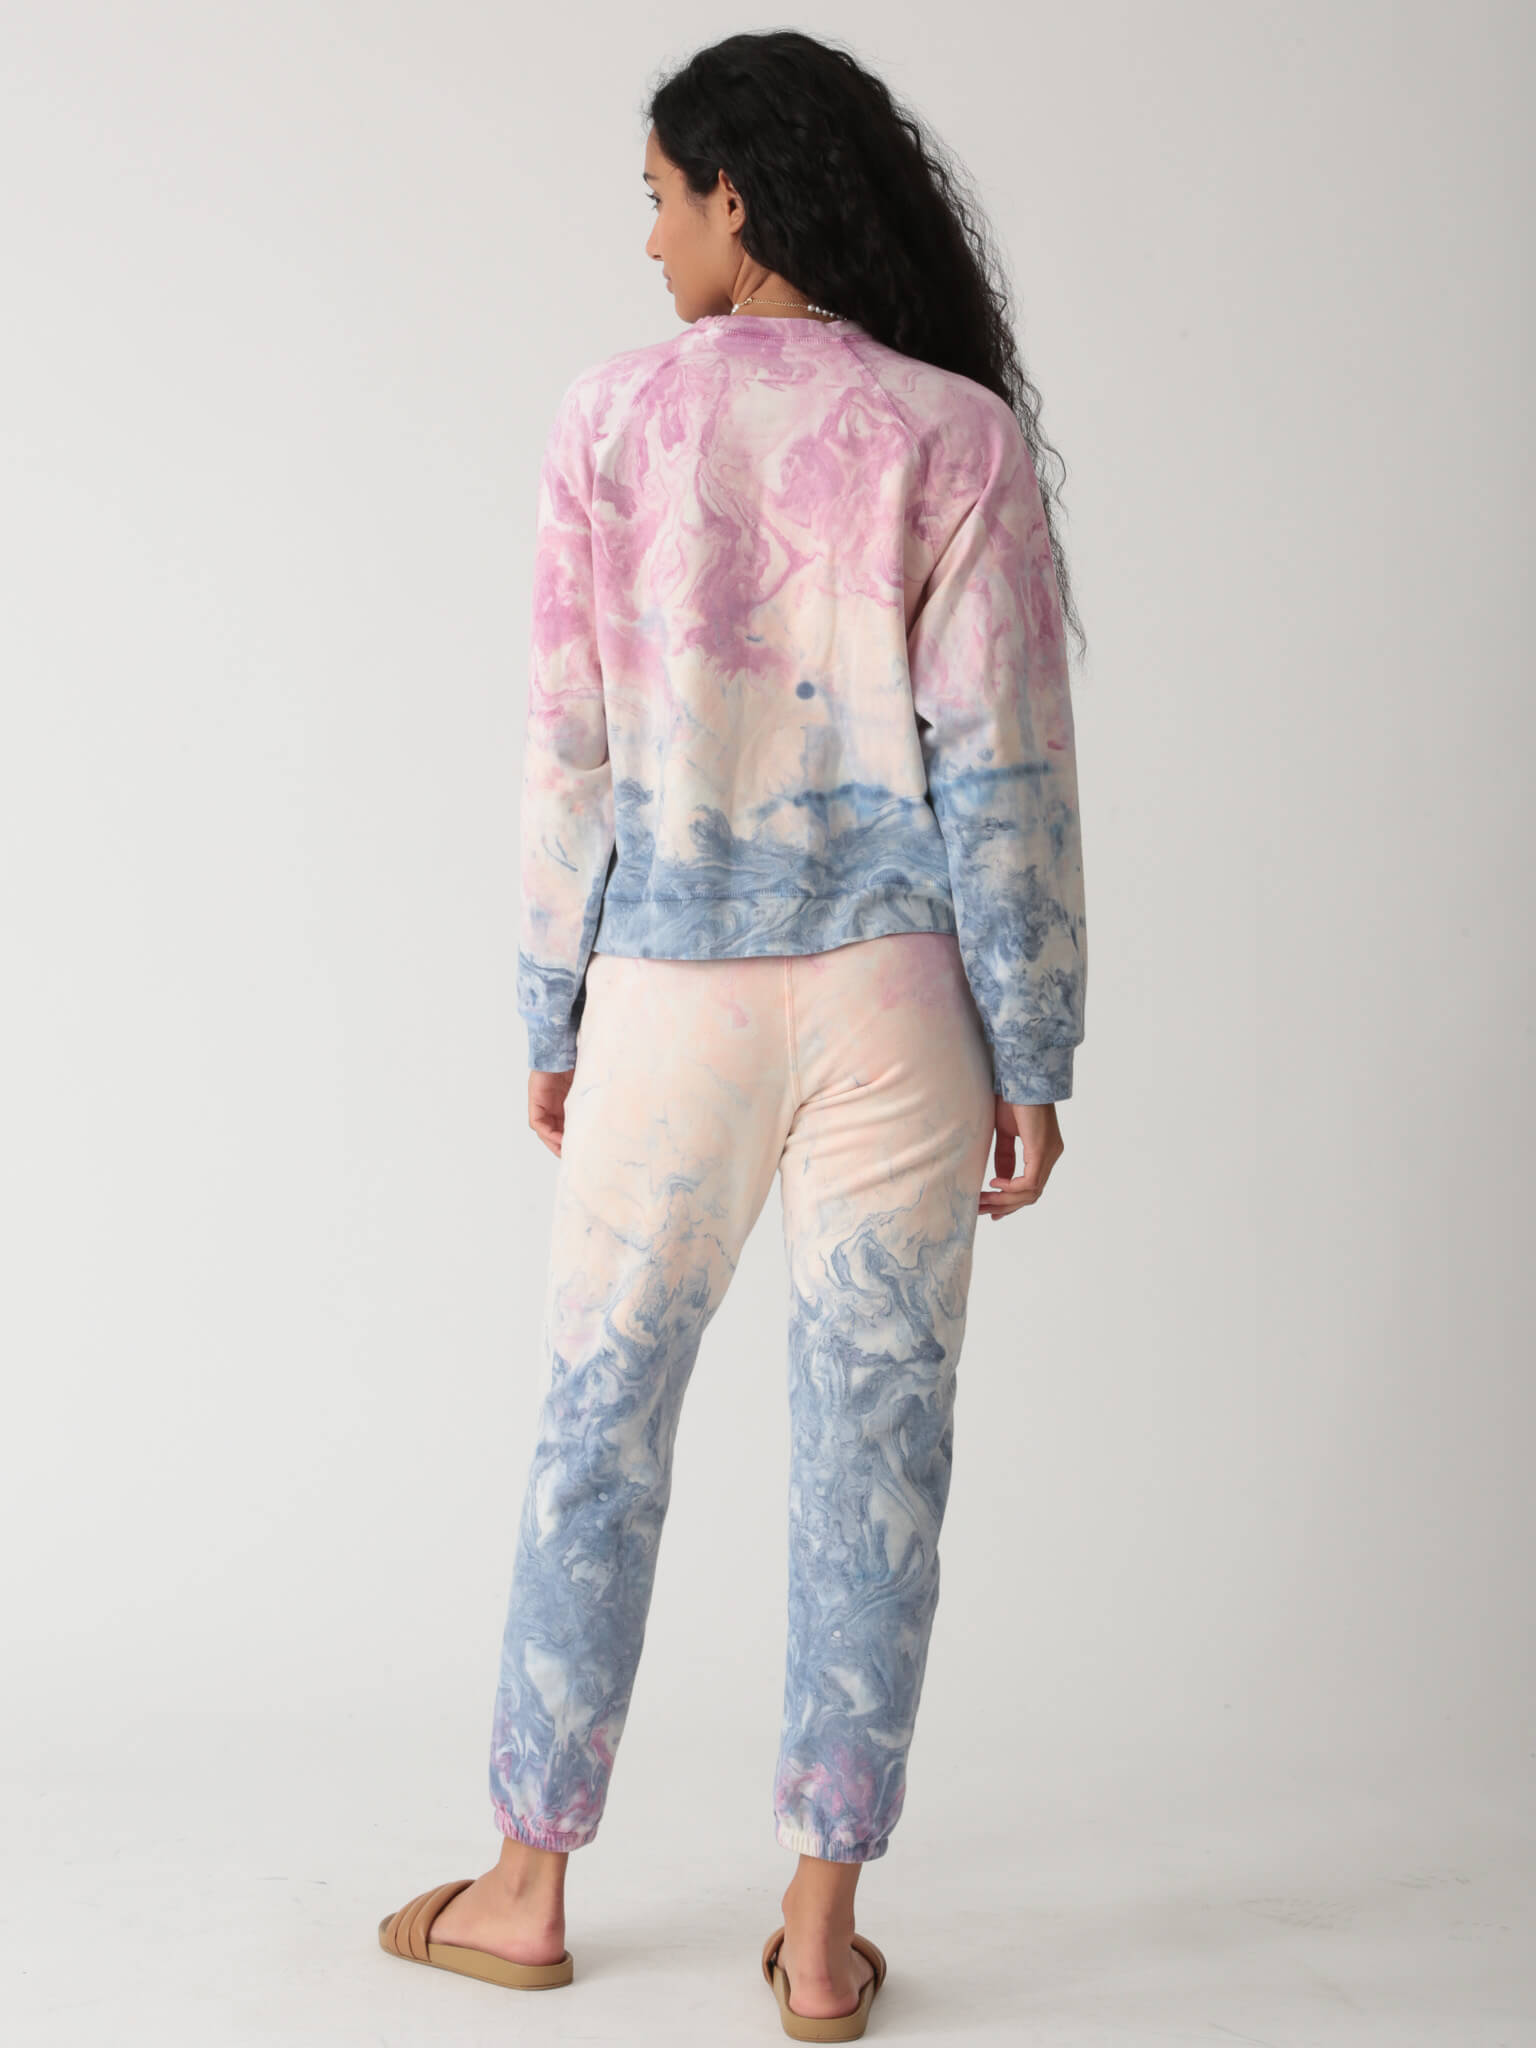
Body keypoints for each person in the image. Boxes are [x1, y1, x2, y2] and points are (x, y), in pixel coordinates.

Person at [377, 28, 1088, 2037]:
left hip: (671, 989)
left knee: (596, 1421)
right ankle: (820, 1931)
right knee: (882, 1442)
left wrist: (552, 998)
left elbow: (570, 749)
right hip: (898, 1000)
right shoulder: (955, 433)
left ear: (736, 199)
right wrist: (1036, 1044)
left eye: (659, 199)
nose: (649, 239)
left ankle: (527, 1890)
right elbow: (1010, 766)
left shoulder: (610, 420)